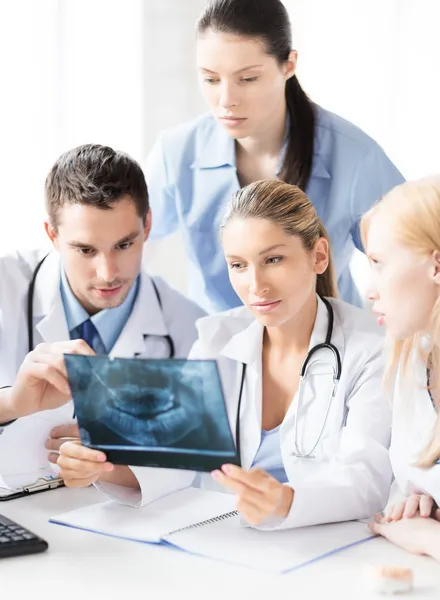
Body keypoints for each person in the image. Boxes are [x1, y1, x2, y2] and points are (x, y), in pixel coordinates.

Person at [57, 179, 392, 530]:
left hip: (331, 548)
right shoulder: (217, 341)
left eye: (273, 259)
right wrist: (103, 466)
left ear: (319, 255)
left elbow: (366, 481)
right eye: (238, 265)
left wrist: (285, 501)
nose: (256, 285)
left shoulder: (370, 350)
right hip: (226, 541)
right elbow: (179, 458)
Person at [146, 0, 404, 314]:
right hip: (221, 352)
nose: (226, 100)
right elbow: (120, 245)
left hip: (333, 350)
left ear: (289, 65)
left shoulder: (355, 157)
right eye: (211, 79)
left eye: (248, 79)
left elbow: (416, 256)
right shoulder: (176, 153)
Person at [0, 144, 205, 483]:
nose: (108, 272)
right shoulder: (6, 288)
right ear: (53, 235)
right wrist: (11, 403)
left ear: (148, 225)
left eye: (124, 245)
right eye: (85, 250)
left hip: (117, 521)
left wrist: (113, 465)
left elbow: (198, 468)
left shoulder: (188, 329)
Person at [361, 176, 440, 563]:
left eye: (379, 264)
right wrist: (419, 503)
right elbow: (403, 492)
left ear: (437, 264)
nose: (368, 290)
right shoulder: (412, 361)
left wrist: (429, 540)